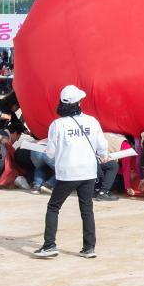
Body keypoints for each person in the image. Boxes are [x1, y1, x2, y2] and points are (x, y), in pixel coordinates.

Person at [34, 85, 108, 259]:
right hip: (88, 171)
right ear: (79, 103)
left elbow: (50, 153)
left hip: (67, 172)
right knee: (87, 209)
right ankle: (89, 248)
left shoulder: (57, 124)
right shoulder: (91, 121)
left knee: (54, 207)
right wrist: (104, 156)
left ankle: (49, 245)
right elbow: (102, 146)